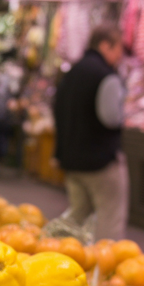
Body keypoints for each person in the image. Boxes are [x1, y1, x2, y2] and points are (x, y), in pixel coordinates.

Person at [52, 25, 129, 240]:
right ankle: (107, 269)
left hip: (71, 160)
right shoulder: (106, 75)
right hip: (100, 162)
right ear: (105, 46)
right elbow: (111, 117)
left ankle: (52, 248)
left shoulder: (71, 72)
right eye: (118, 48)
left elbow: (56, 110)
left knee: (77, 214)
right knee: (110, 218)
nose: (120, 55)